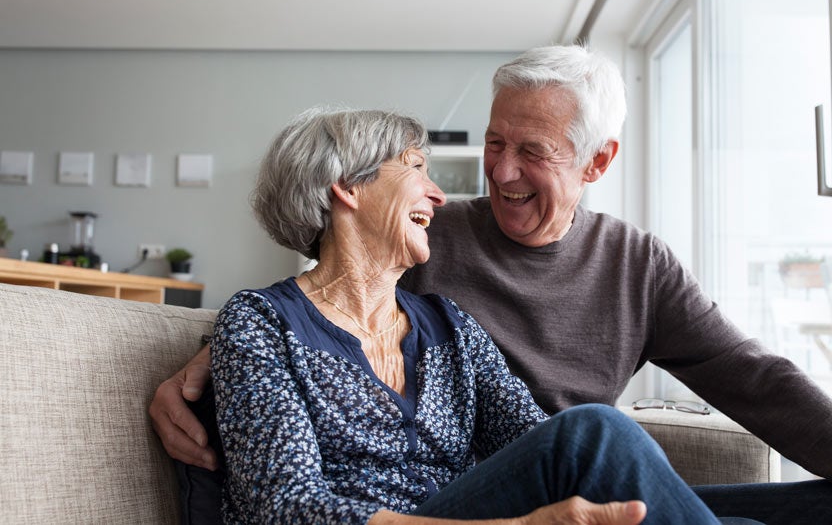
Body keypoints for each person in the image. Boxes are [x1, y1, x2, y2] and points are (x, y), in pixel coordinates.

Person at [150, 46, 832, 523]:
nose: (498, 173)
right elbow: (317, 303)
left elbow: (753, 377)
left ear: (596, 162)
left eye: (532, 151)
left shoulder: (629, 267)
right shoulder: (415, 245)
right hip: (484, 499)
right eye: (494, 142)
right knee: (593, 435)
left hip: (558, 481)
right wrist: (212, 358)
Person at [206, 106, 734, 524]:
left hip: (464, 509)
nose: (438, 195)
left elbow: (539, 446)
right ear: (349, 187)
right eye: (416, 168)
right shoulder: (262, 322)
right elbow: (286, 508)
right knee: (594, 430)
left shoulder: (447, 324)